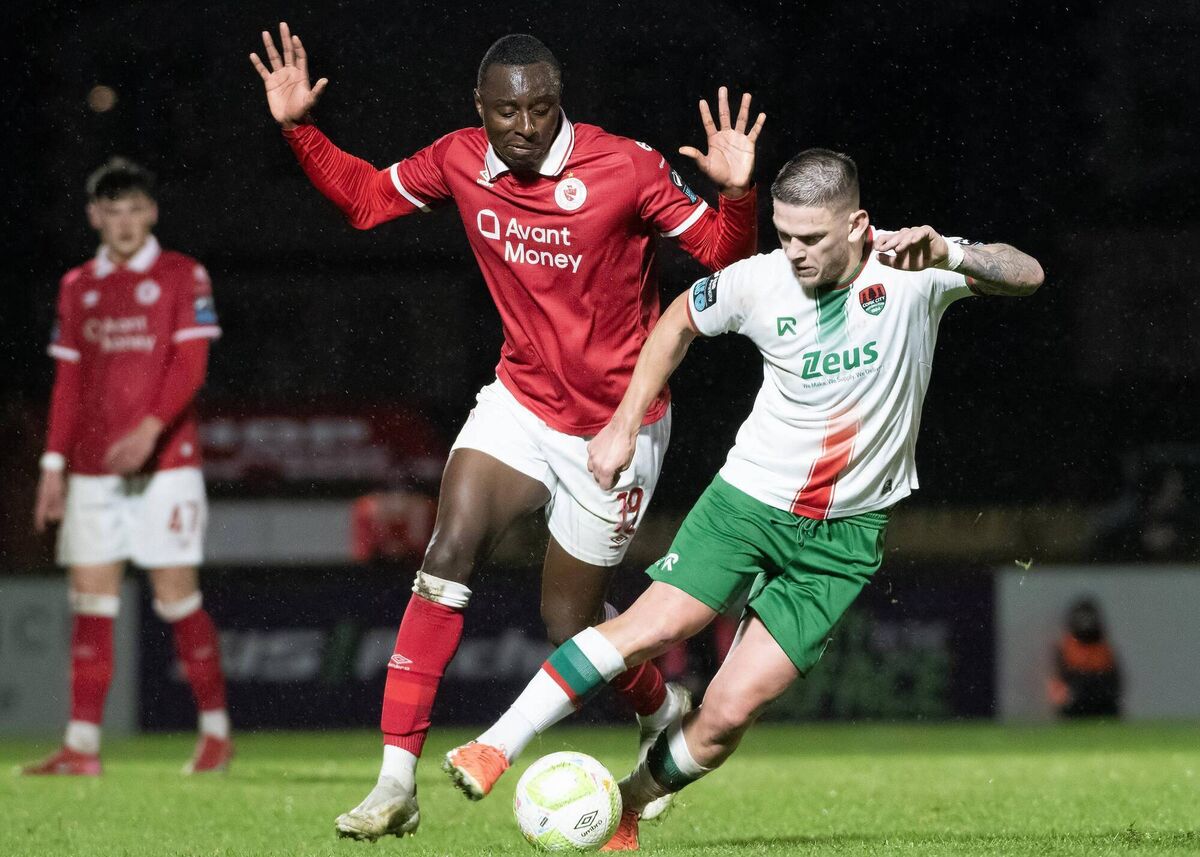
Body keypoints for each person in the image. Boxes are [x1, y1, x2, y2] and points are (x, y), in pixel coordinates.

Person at [444, 148, 1044, 850]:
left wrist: (954, 251)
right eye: (784, 234)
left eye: (812, 238)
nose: (793, 252)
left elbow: (1027, 274)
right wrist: (622, 422)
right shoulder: (758, 282)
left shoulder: (913, 271)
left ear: (858, 225)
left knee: (729, 711)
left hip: (845, 540)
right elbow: (675, 322)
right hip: (748, 506)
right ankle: (494, 744)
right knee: (647, 628)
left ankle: (629, 803)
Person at [249, 24, 765, 839]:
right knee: (446, 550)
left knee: (571, 625)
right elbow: (365, 201)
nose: (525, 126)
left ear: (561, 103)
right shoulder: (459, 157)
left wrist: (737, 196)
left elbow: (720, 257)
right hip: (520, 402)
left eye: (541, 109)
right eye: (507, 112)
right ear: (480, 110)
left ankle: (662, 702)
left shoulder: (623, 166)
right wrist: (297, 129)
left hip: (618, 424)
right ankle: (394, 782)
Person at [23, 157, 231, 776]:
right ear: (95, 216)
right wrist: (52, 466)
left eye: (135, 209)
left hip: (168, 465)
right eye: (112, 211)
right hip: (90, 472)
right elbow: (67, 381)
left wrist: (147, 432)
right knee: (91, 603)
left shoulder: (182, 274)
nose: (124, 222)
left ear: (152, 213)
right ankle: (82, 747)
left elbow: (189, 370)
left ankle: (216, 734)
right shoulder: (76, 285)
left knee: (176, 599)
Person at [1048, 597, 1122, 717]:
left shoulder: (1104, 649)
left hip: (1103, 707)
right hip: (1074, 707)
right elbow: (1059, 682)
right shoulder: (1066, 647)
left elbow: (1115, 682)